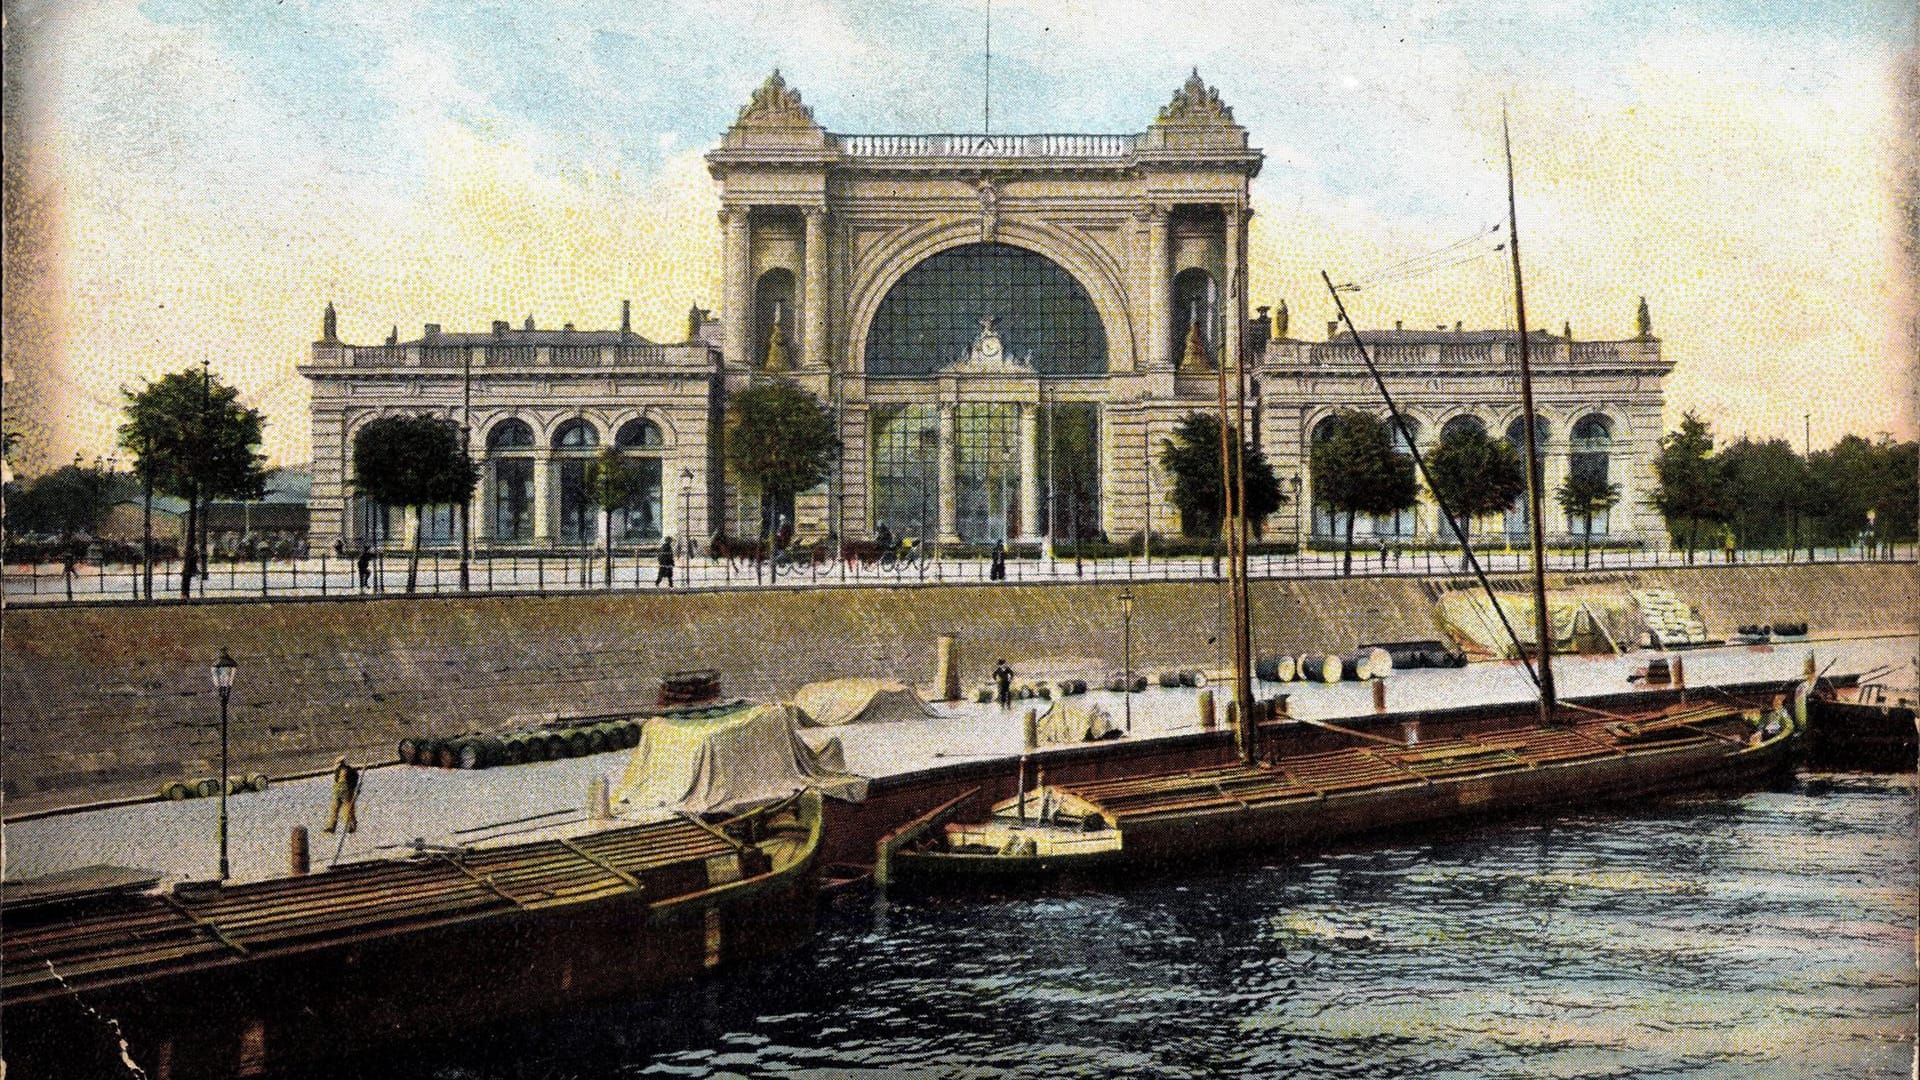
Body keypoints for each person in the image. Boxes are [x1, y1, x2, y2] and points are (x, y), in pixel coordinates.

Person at [324, 755, 361, 834]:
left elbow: (354, 782)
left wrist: (354, 790)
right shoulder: (338, 771)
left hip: (347, 792)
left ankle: (351, 825)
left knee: (348, 810)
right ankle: (331, 826)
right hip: (338, 792)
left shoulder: (351, 771)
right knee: (335, 809)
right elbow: (337, 782)